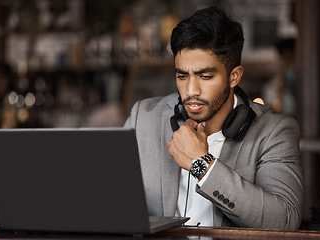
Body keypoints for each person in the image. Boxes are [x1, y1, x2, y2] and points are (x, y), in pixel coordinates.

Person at [124, 6, 304, 230]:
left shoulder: (273, 132)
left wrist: (203, 166)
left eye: (205, 76)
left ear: (234, 76)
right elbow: (107, 198)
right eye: (182, 76)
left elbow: (285, 221)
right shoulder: (143, 119)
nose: (191, 90)